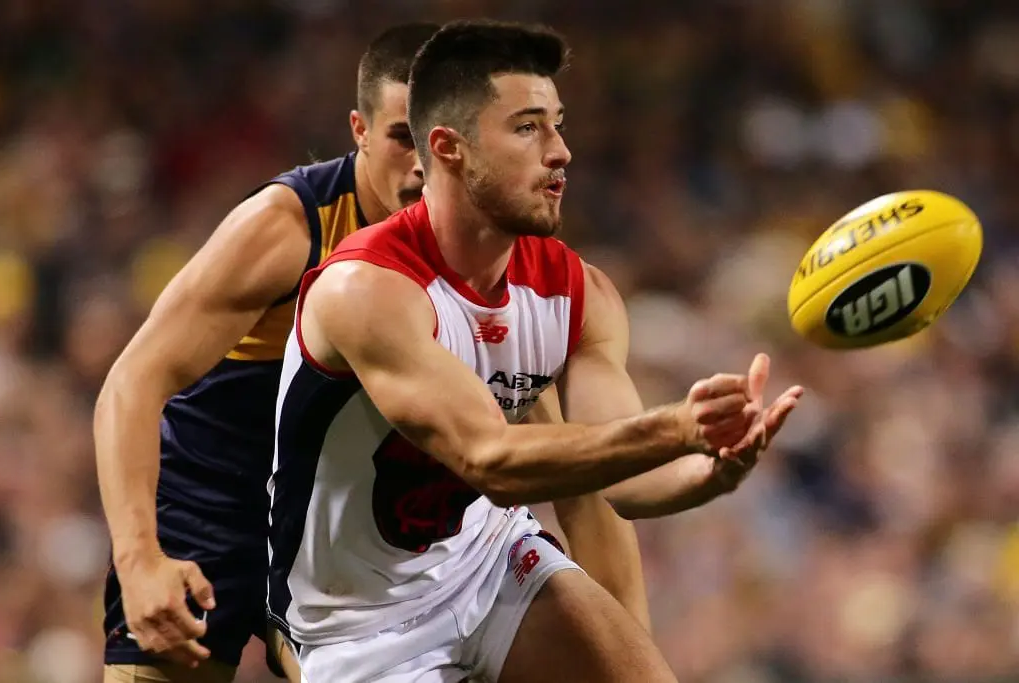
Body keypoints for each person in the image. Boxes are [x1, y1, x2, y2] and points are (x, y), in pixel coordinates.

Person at [269, 19, 803, 683]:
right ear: (450, 148)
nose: (561, 152)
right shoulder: (366, 289)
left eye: (558, 125)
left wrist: (711, 468)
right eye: (528, 128)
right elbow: (490, 459)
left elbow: (620, 478)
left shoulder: (578, 293)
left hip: (484, 561)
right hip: (355, 621)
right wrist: (675, 428)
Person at [95, 23, 441, 683]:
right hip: (212, 513)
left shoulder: (477, 249)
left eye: (439, 140)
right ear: (360, 130)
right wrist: (139, 559)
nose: (423, 164)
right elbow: (133, 381)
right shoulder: (289, 225)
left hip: (339, 528)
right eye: (403, 136)